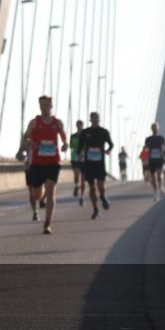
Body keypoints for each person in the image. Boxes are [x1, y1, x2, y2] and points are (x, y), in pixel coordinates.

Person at [21, 95, 69, 234]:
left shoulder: (57, 123)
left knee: (51, 191)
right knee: (36, 194)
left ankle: (47, 224)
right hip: (37, 163)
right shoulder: (34, 123)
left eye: (46, 105)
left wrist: (65, 145)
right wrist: (30, 144)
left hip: (53, 162)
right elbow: (25, 138)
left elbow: (64, 139)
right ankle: (40, 198)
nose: (44, 107)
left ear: (51, 105)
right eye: (42, 105)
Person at [79, 112, 115, 219]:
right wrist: (80, 154)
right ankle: (95, 210)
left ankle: (103, 196)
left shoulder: (104, 132)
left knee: (100, 186)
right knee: (92, 187)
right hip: (89, 163)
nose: (95, 119)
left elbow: (111, 144)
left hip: (100, 163)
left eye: (96, 118)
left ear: (99, 119)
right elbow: (80, 147)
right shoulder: (85, 132)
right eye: (93, 118)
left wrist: (108, 150)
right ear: (90, 119)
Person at [144, 123, 165, 200]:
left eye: (155, 128)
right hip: (152, 159)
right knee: (153, 177)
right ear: (151, 129)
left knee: (159, 175)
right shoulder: (148, 139)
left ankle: (160, 187)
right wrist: (145, 159)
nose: (154, 129)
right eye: (153, 128)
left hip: (159, 159)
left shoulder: (161, 138)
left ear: (158, 129)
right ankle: (156, 192)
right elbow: (145, 149)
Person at [69, 120, 86, 206]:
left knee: (83, 179)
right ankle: (76, 185)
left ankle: (81, 197)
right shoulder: (73, 136)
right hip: (75, 158)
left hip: (84, 159)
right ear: (76, 126)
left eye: (80, 125)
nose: (79, 127)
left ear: (82, 126)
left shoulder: (86, 135)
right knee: (76, 175)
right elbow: (71, 146)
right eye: (78, 125)